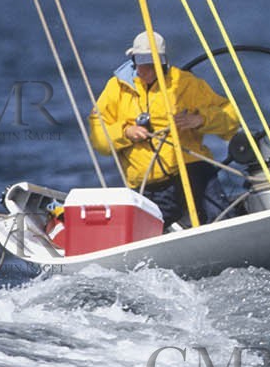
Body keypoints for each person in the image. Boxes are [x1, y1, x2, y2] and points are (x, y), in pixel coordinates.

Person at [89, 31, 240, 228]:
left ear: (164, 61)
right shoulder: (117, 88)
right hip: (148, 184)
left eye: (153, 63)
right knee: (143, 231)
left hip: (190, 169)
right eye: (142, 62)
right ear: (133, 60)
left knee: (220, 218)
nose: (146, 69)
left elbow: (231, 118)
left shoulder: (184, 83)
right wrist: (126, 133)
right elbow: (98, 137)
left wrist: (200, 119)